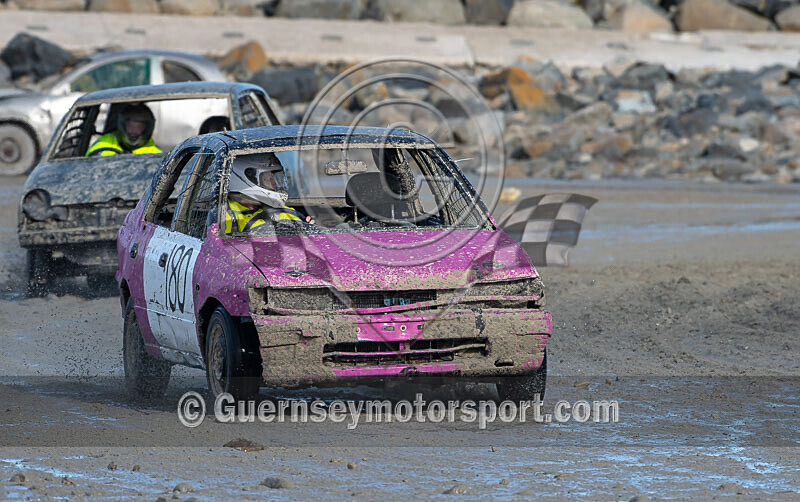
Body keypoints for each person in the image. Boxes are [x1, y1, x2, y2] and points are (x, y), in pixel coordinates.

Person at [224, 153, 314, 233]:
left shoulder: (281, 210)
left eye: (275, 178)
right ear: (250, 177)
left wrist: (309, 228)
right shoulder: (223, 215)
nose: (275, 184)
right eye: (269, 179)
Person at [86, 103, 161, 157]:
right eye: (130, 126)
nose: (133, 131)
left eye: (138, 127)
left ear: (147, 128)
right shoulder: (104, 142)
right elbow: (88, 163)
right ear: (123, 125)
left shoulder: (156, 154)